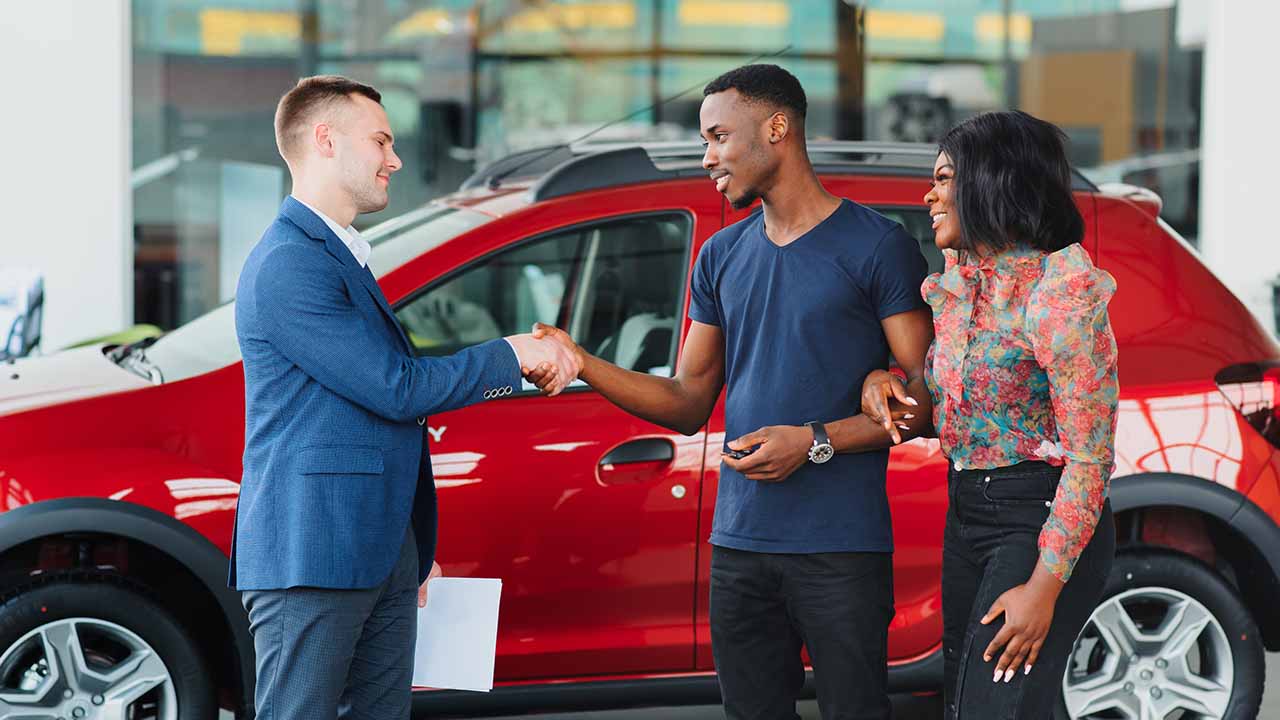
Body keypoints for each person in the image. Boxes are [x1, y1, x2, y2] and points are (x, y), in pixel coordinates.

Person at [529, 64, 935, 720]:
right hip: (739, 546)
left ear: (777, 128)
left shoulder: (877, 246)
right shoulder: (720, 255)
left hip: (840, 549)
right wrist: (582, 363)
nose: (708, 157)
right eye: (703, 141)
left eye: (718, 136)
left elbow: (923, 400)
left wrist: (816, 443)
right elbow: (689, 400)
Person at [230, 75, 579, 720]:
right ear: (326, 140)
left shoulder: (339, 255)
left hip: (376, 550)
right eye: (382, 141)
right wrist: (512, 353)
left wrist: (407, 549)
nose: (395, 160)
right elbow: (394, 387)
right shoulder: (290, 262)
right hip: (312, 556)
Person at [862, 110, 1118, 719]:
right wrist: (880, 380)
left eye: (945, 178)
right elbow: (946, 396)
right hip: (968, 512)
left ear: (992, 180)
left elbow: (1091, 460)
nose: (929, 195)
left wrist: (1043, 587)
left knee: (989, 709)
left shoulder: (1059, 294)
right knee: (966, 704)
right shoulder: (963, 281)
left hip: (1039, 518)